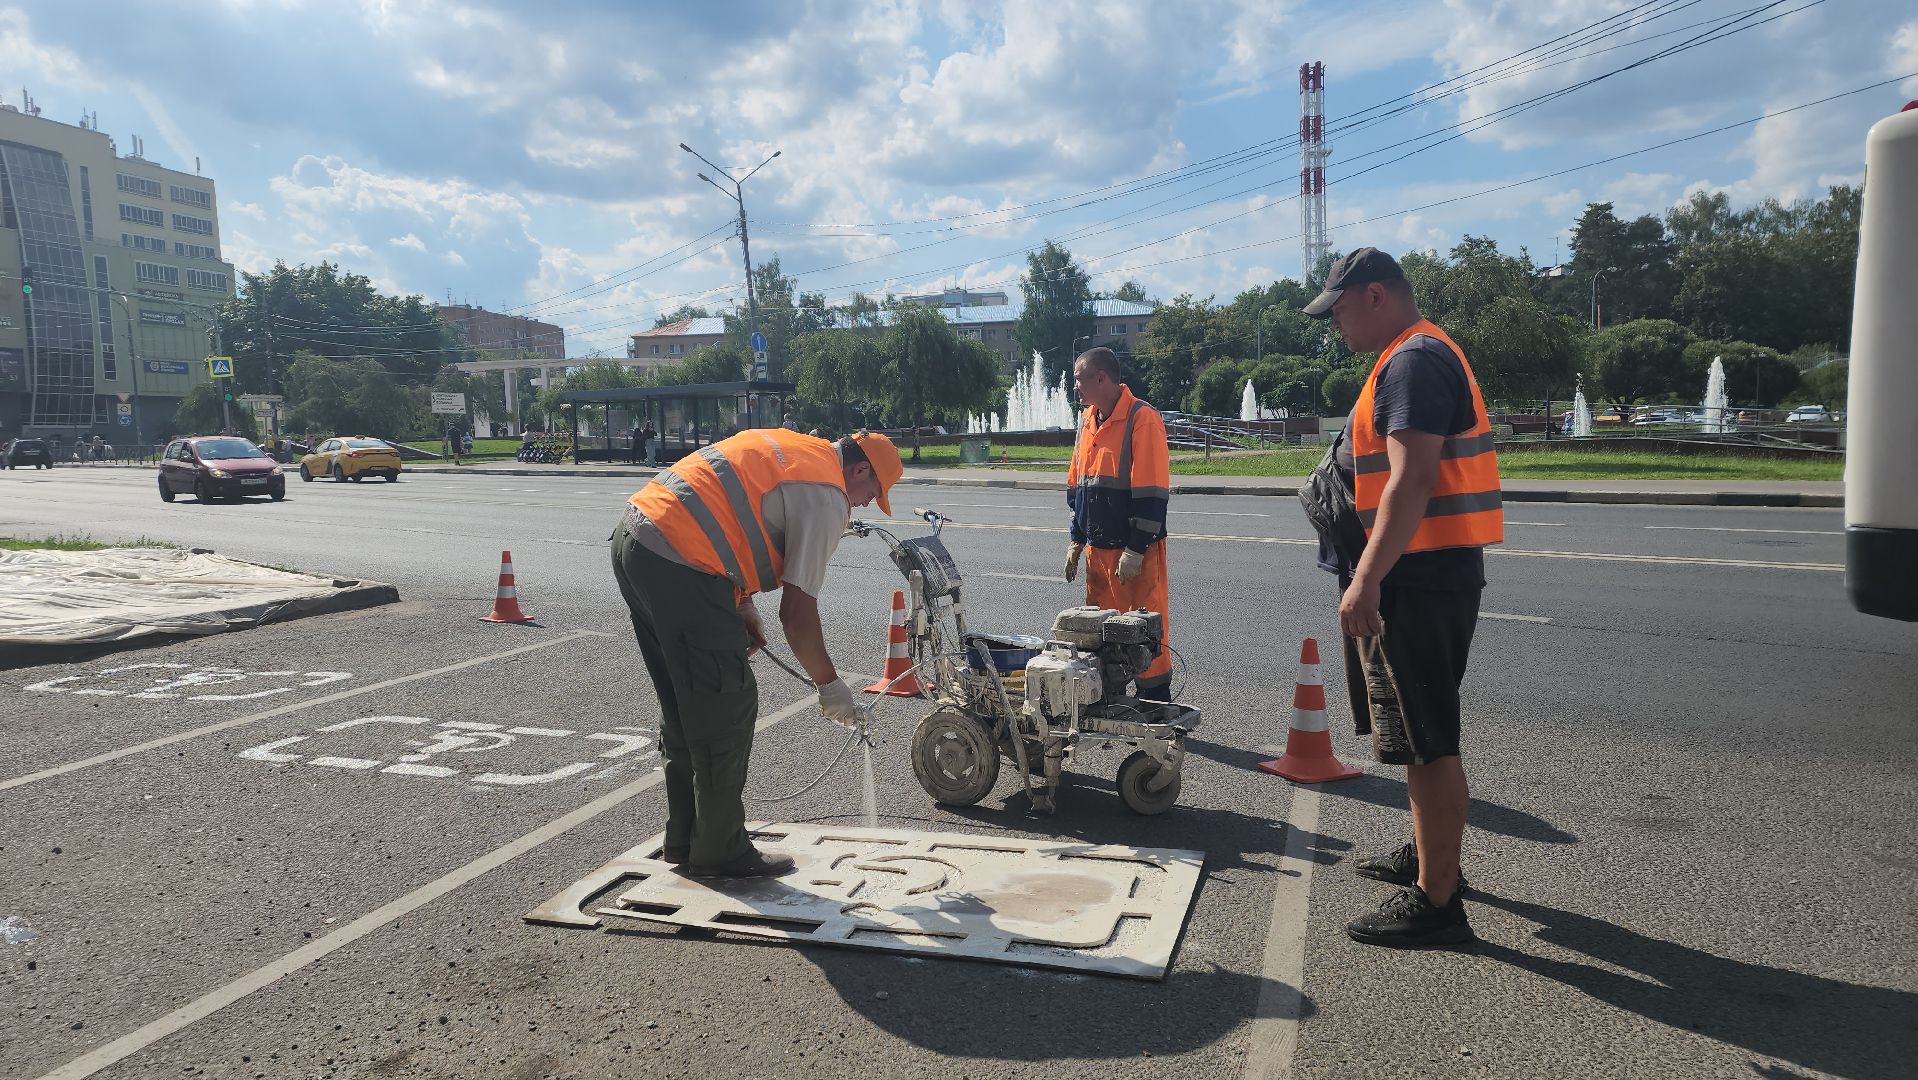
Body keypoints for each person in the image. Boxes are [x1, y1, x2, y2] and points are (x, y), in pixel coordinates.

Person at [1300, 247, 1504, 948]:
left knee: (1426, 742)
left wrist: (1367, 579)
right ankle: (1428, 856)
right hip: (1420, 573)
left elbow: (1411, 479)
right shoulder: (1408, 353)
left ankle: (1438, 901)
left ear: (1376, 295)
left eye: (1338, 310)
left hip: (1415, 578)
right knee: (1415, 733)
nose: (1335, 326)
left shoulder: (1414, 359)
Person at [610, 428, 904, 878]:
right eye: (873, 492)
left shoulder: (797, 450)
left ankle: (685, 838)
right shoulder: (828, 496)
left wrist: (741, 601)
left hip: (635, 540)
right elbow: (797, 614)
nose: (866, 503)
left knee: (684, 699)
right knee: (727, 703)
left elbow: (728, 512)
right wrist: (830, 686)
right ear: (860, 469)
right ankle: (720, 850)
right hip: (683, 561)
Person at [1063, 347, 1173, 702]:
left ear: (1101, 378)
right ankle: (1111, 706)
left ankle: (1155, 707)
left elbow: (1152, 492)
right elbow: (1078, 485)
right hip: (1098, 552)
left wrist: (1136, 548)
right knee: (1101, 635)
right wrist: (1076, 539)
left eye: (1078, 379)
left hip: (1135, 554)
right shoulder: (1086, 421)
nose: (1074, 386)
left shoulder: (1142, 418)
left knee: (1143, 634)